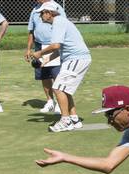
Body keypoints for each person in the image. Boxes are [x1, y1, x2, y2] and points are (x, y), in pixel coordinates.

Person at [32, 2, 90, 132]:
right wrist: (46, 59)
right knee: (65, 89)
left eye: (42, 13)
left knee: (58, 88)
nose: (40, 16)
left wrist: (39, 53)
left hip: (76, 58)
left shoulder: (58, 22)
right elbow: (60, 49)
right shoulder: (59, 23)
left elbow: (55, 46)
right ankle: (74, 119)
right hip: (76, 59)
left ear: (49, 13)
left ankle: (65, 121)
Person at [25, 0, 66, 115]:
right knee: (44, 75)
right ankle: (50, 102)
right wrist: (29, 49)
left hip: (53, 45)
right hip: (39, 45)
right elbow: (31, 30)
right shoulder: (35, 9)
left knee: (56, 75)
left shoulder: (56, 7)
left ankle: (60, 103)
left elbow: (63, 26)